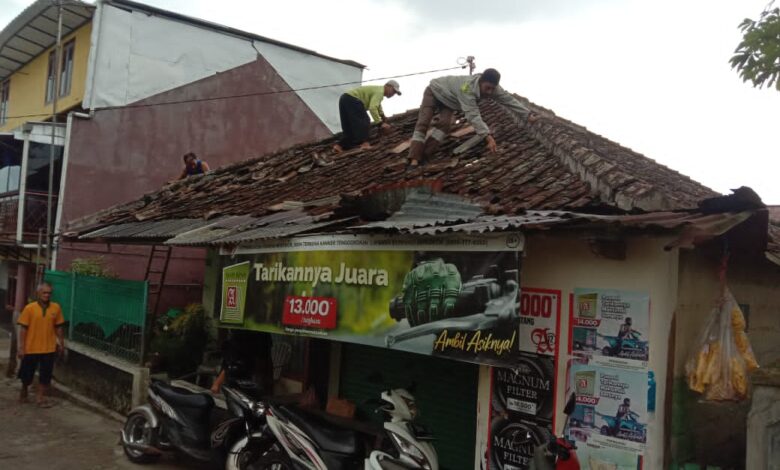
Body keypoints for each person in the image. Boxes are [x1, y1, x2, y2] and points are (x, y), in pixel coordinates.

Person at [408, 68, 538, 165]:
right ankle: (414, 158)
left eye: (492, 89)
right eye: (487, 88)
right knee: (424, 122)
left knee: (445, 125)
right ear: (480, 82)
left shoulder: (494, 89)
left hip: (450, 101)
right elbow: (473, 115)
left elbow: (509, 100)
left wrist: (527, 115)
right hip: (435, 90)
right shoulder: (467, 89)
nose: (489, 92)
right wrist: (488, 137)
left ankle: (425, 155)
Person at [17, 282, 66, 407]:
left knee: (45, 375)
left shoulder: (56, 308)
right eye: (44, 292)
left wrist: (61, 343)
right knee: (26, 374)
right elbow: (23, 329)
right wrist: (21, 347)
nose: (47, 295)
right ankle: (24, 390)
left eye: (49, 293)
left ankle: (40, 398)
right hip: (31, 347)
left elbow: (59, 327)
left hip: (48, 348)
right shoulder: (29, 308)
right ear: (38, 293)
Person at [332, 80, 401, 154]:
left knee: (349, 127)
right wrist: (380, 123)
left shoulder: (377, 91)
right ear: (387, 86)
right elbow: (373, 108)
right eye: (393, 91)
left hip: (344, 98)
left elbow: (377, 105)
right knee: (365, 121)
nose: (393, 94)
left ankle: (339, 146)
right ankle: (365, 144)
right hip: (353, 99)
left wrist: (382, 115)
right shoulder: (380, 92)